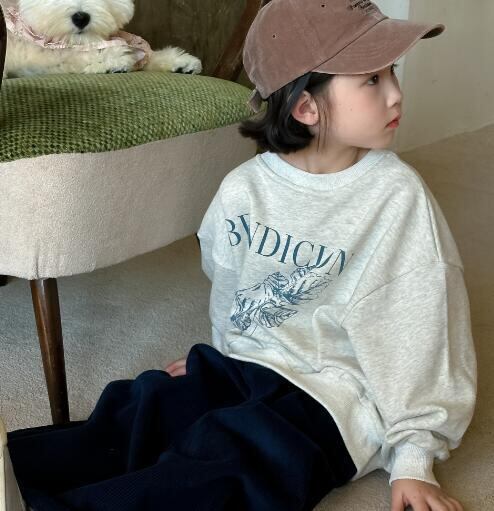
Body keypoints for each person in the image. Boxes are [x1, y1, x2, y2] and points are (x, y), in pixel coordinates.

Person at [1, 1, 477, 510]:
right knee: (147, 404)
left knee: (227, 461)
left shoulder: (396, 196)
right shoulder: (244, 188)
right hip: (251, 362)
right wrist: (224, 356)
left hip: (338, 397)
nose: (396, 93)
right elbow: (229, 280)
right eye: (372, 80)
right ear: (306, 107)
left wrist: (414, 457)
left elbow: (423, 323)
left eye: (391, 73)